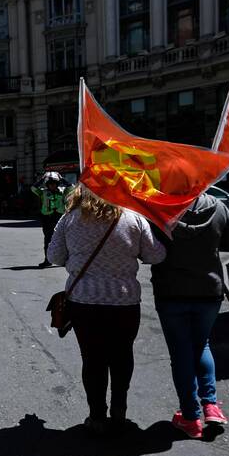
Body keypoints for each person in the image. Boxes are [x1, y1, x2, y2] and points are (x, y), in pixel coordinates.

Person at [47, 185, 166, 434]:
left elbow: (54, 256)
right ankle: (119, 412)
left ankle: (97, 416)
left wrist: (76, 259)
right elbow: (156, 255)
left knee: (92, 360)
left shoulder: (69, 219)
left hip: (85, 302)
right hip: (124, 303)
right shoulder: (133, 218)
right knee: (122, 356)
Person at [151, 187, 229, 440]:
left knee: (181, 352)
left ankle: (190, 416)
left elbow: (148, 250)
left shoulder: (160, 208)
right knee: (202, 345)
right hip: (208, 289)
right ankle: (210, 405)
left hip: (171, 291)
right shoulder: (218, 207)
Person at [32, 173, 67, 267]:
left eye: (55, 183)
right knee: (48, 239)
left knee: (63, 239)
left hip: (60, 217)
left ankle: (64, 259)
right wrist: (42, 179)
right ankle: (47, 260)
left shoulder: (62, 191)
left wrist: (61, 178)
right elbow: (33, 188)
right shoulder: (43, 192)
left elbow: (71, 187)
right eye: (50, 183)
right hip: (47, 218)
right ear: (47, 184)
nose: (52, 185)